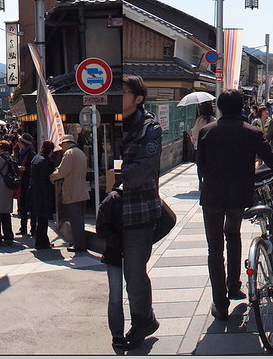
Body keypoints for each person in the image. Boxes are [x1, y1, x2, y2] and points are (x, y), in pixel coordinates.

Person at [197, 89, 273, 321]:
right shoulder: (251, 132)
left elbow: (200, 165)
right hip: (238, 195)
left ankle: (220, 304)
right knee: (233, 234)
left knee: (214, 248)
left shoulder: (206, 132)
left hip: (212, 195)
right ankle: (234, 286)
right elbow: (272, 157)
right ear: (241, 106)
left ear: (220, 108)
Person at [121, 74, 163, 349]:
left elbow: (145, 169)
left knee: (134, 273)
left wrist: (115, 174)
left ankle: (142, 321)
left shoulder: (150, 127)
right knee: (122, 275)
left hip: (139, 211)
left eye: (122, 92)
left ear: (138, 98)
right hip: (112, 212)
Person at [96, 180, 125, 351]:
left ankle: (118, 335)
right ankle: (124, 333)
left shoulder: (111, 200)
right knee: (136, 292)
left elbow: (101, 228)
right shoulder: (134, 198)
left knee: (116, 297)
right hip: (126, 253)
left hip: (115, 253)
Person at [49, 135, 89, 252]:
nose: (61, 147)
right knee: (80, 219)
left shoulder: (69, 153)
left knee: (75, 219)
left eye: (62, 145)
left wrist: (52, 177)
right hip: (82, 190)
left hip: (73, 191)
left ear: (67, 143)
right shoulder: (80, 153)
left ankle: (79, 245)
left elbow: (62, 171)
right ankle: (80, 242)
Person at [28, 140, 57, 249]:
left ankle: (43, 239)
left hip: (34, 191)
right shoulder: (44, 161)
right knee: (43, 218)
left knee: (40, 218)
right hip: (42, 193)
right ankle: (42, 241)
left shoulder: (36, 158)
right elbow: (44, 180)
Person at [15, 133, 36, 236]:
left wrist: (25, 169)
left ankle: (33, 228)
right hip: (22, 182)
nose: (18, 144)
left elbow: (34, 170)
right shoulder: (21, 153)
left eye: (19, 142)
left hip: (29, 183)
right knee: (22, 206)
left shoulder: (31, 154)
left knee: (31, 207)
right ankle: (23, 227)